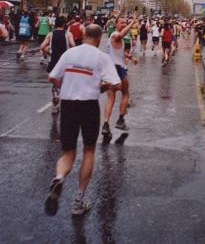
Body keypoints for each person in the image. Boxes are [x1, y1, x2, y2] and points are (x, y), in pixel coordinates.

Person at [45, 24, 121, 216]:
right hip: (89, 106)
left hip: (68, 105)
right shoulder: (102, 57)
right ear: (100, 38)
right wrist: (101, 87)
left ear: (84, 35)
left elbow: (52, 77)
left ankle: (59, 177)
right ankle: (78, 200)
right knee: (89, 150)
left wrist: (66, 83)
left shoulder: (70, 54)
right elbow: (117, 84)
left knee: (68, 152)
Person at [102, 15, 138, 138]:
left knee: (111, 98)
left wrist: (131, 57)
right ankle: (120, 121)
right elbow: (120, 35)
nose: (123, 24)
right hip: (117, 68)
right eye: (121, 23)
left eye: (125, 22)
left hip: (110, 70)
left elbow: (120, 52)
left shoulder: (117, 39)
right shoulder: (115, 35)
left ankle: (106, 125)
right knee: (125, 93)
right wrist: (132, 22)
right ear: (116, 24)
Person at [40, 16, 75, 114]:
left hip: (54, 62)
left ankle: (55, 106)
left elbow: (42, 46)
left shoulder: (50, 34)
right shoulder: (68, 34)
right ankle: (66, 103)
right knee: (66, 83)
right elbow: (73, 46)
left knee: (55, 84)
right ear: (64, 24)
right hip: (66, 63)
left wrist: (49, 52)